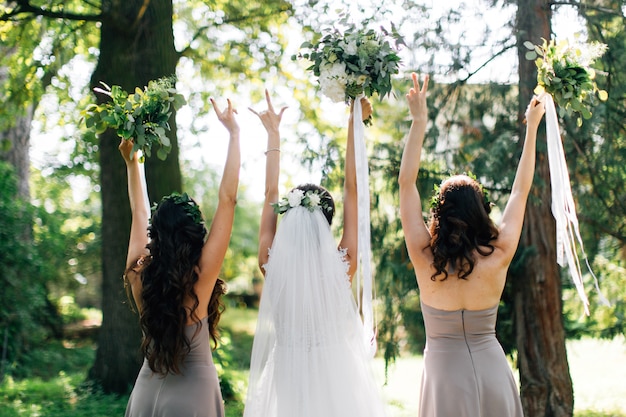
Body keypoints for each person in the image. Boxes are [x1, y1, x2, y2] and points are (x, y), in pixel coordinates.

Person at [398, 73, 545, 417]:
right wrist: (532, 127)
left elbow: (406, 184)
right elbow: (520, 191)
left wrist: (419, 121)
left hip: (444, 376)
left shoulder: (424, 257)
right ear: (480, 212)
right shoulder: (500, 254)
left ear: (441, 213)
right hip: (492, 368)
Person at [243, 90, 387, 417]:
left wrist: (273, 135)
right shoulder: (343, 264)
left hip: (287, 374)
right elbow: (353, 189)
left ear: (288, 218)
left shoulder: (270, 263)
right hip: (335, 373)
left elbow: (269, 193)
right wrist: (354, 124)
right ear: (328, 223)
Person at [121, 97, 240, 417]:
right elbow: (228, 199)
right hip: (191, 397)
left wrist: (134, 163)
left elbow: (138, 211)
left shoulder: (140, 273)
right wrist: (234, 134)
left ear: (155, 235)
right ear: (194, 234)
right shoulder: (200, 279)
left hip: (146, 391)